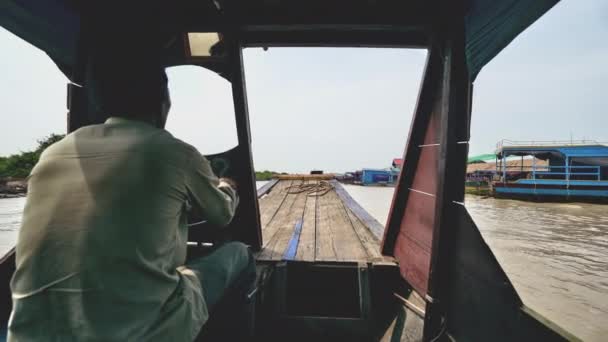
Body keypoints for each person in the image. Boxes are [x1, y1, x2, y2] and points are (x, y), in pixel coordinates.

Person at [8, 33, 256, 341]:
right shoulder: (174, 152)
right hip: (141, 332)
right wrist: (227, 186)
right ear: (163, 100)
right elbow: (222, 216)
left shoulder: (52, 154)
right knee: (241, 255)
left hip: (29, 335)